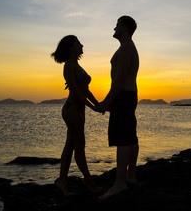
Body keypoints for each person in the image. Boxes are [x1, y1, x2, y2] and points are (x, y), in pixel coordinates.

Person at [51, 35, 101, 196]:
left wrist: (97, 103)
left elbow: (85, 90)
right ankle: (88, 181)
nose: (81, 45)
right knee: (80, 146)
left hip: (79, 109)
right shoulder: (68, 66)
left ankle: (62, 182)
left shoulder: (77, 64)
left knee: (70, 145)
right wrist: (92, 107)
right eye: (78, 43)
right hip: (71, 109)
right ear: (71, 47)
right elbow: (76, 91)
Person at [97, 16, 139, 200]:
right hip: (127, 96)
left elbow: (119, 79)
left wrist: (107, 102)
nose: (114, 27)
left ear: (124, 26)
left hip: (123, 96)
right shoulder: (127, 47)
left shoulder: (126, 47)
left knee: (122, 139)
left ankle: (120, 183)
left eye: (117, 24)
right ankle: (131, 176)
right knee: (130, 137)